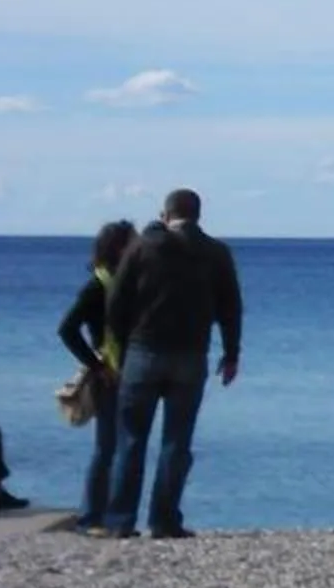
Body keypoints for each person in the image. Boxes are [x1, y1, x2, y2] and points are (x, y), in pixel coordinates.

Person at [101, 188, 244, 541]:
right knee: (176, 443)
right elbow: (231, 308)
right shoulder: (216, 252)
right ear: (198, 215)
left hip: (143, 351)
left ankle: (121, 521)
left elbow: (116, 303)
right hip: (191, 354)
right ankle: (164, 521)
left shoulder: (142, 248)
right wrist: (231, 354)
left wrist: (117, 348)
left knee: (131, 440)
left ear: (165, 214)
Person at [55, 219, 139, 533]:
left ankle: (109, 516)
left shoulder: (123, 282)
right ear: (119, 247)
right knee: (107, 448)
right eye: (133, 242)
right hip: (110, 373)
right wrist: (95, 365)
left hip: (128, 371)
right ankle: (92, 516)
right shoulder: (97, 286)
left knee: (121, 445)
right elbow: (67, 329)